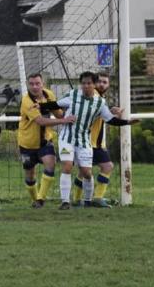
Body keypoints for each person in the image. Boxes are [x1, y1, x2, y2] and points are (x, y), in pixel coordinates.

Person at [72, 72, 139, 208]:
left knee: (99, 168)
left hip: (96, 142)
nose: (102, 84)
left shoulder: (100, 97)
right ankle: (85, 199)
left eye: (105, 82)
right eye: (100, 81)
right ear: (95, 83)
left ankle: (88, 198)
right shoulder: (93, 96)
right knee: (91, 170)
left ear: (108, 85)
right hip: (88, 141)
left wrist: (110, 111)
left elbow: (100, 113)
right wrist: (119, 117)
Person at [50, 71, 108, 211]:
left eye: (89, 83)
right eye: (83, 83)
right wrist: (60, 117)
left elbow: (109, 117)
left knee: (86, 172)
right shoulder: (73, 95)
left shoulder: (100, 102)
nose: (86, 86)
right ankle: (65, 201)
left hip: (84, 141)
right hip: (66, 139)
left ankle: (87, 200)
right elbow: (54, 104)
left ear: (94, 85)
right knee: (67, 166)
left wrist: (126, 121)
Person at [19, 73, 73, 209]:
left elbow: (58, 113)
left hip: (45, 141)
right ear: (27, 85)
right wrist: (63, 121)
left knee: (50, 164)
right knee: (30, 176)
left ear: (42, 84)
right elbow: (41, 121)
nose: (35, 86)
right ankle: (35, 199)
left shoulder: (49, 94)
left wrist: (71, 108)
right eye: (31, 84)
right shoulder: (27, 101)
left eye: (37, 83)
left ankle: (41, 199)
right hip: (27, 143)